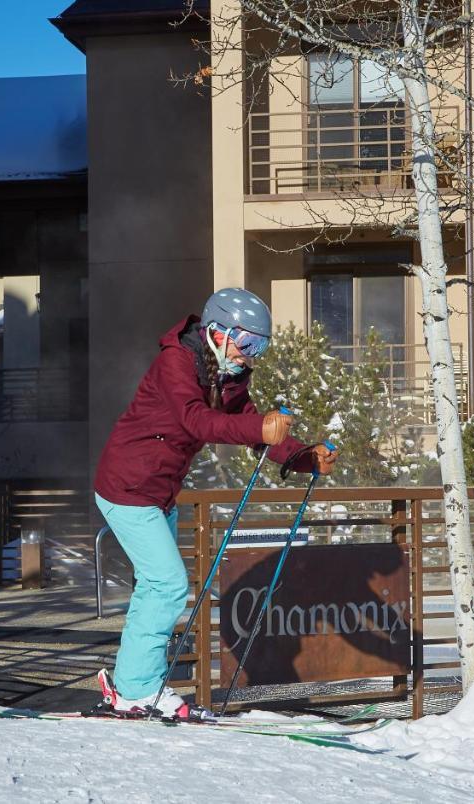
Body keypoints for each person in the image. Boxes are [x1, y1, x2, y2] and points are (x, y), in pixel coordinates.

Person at [93, 288, 338, 719]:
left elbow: (246, 421)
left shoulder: (228, 374)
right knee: (167, 585)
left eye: (259, 346)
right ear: (218, 332)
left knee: (156, 586)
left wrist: (302, 456)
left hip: (159, 490)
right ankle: (135, 689)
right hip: (127, 486)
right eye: (247, 344)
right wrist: (260, 430)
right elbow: (196, 419)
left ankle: (133, 684)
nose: (251, 356)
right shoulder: (177, 362)